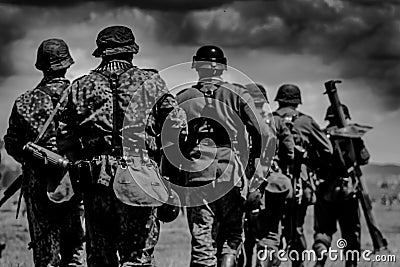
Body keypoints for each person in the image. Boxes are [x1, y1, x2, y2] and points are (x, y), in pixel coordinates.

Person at [57, 25, 186, 267]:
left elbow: (64, 134)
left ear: (102, 52)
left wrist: (79, 165)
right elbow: (177, 127)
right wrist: (168, 176)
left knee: (100, 258)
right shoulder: (151, 81)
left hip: (96, 181)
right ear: (131, 52)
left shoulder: (79, 86)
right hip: (141, 177)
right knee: (137, 259)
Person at [175, 45, 271, 267]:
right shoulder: (238, 94)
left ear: (196, 66)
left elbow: (171, 141)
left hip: (197, 175)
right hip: (231, 174)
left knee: (202, 240)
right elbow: (264, 134)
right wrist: (255, 168)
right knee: (232, 236)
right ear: (222, 67)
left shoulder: (183, 97)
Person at [4, 39, 84, 266]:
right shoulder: (80, 97)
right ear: (67, 65)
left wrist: (38, 160)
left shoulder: (24, 101)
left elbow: (12, 144)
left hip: (37, 183)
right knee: (75, 254)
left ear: (40, 65)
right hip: (74, 183)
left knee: (45, 255)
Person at [273, 84, 333, 267]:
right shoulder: (306, 122)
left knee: (270, 232)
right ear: (298, 102)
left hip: (272, 184)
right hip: (299, 185)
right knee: (296, 229)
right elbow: (327, 149)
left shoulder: (269, 119)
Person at [243, 83, 294, 267]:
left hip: (243, 183)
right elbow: (290, 152)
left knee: (240, 232)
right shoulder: (276, 122)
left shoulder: (236, 122)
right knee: (270, 233)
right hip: (270, 183)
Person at [312, 104, 369, 267]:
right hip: (348, 192)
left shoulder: (321, 135)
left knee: (323, 232)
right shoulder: (353, 136)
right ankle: (351, 264)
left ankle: (320, 260)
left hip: (324, 191)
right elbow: (365, 158)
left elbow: (314, 161)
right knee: (351, 233)